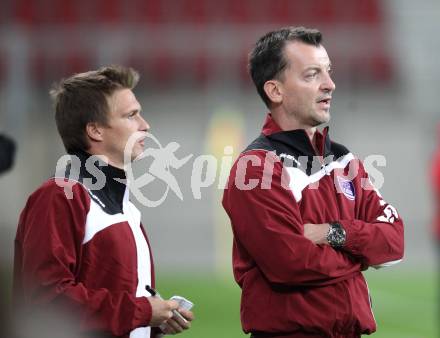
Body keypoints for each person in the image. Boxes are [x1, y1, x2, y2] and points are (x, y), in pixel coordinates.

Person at [222, 27, 404, 338]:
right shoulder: (254, 169)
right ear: (275, 91)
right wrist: (360, 255)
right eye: (311, 75)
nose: (330, 85)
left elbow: (394, 243)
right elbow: (291, 263)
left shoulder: (345, 161)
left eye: (328, 72)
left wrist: (334, 233)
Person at [13, 65, 194, 338]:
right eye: (131, 115)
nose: (145, 125)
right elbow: (47, 301)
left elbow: (119, 298)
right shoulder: (60, 195)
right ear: (95, 130)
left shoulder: (124, 204)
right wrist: (143, 312)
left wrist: (153, 321)